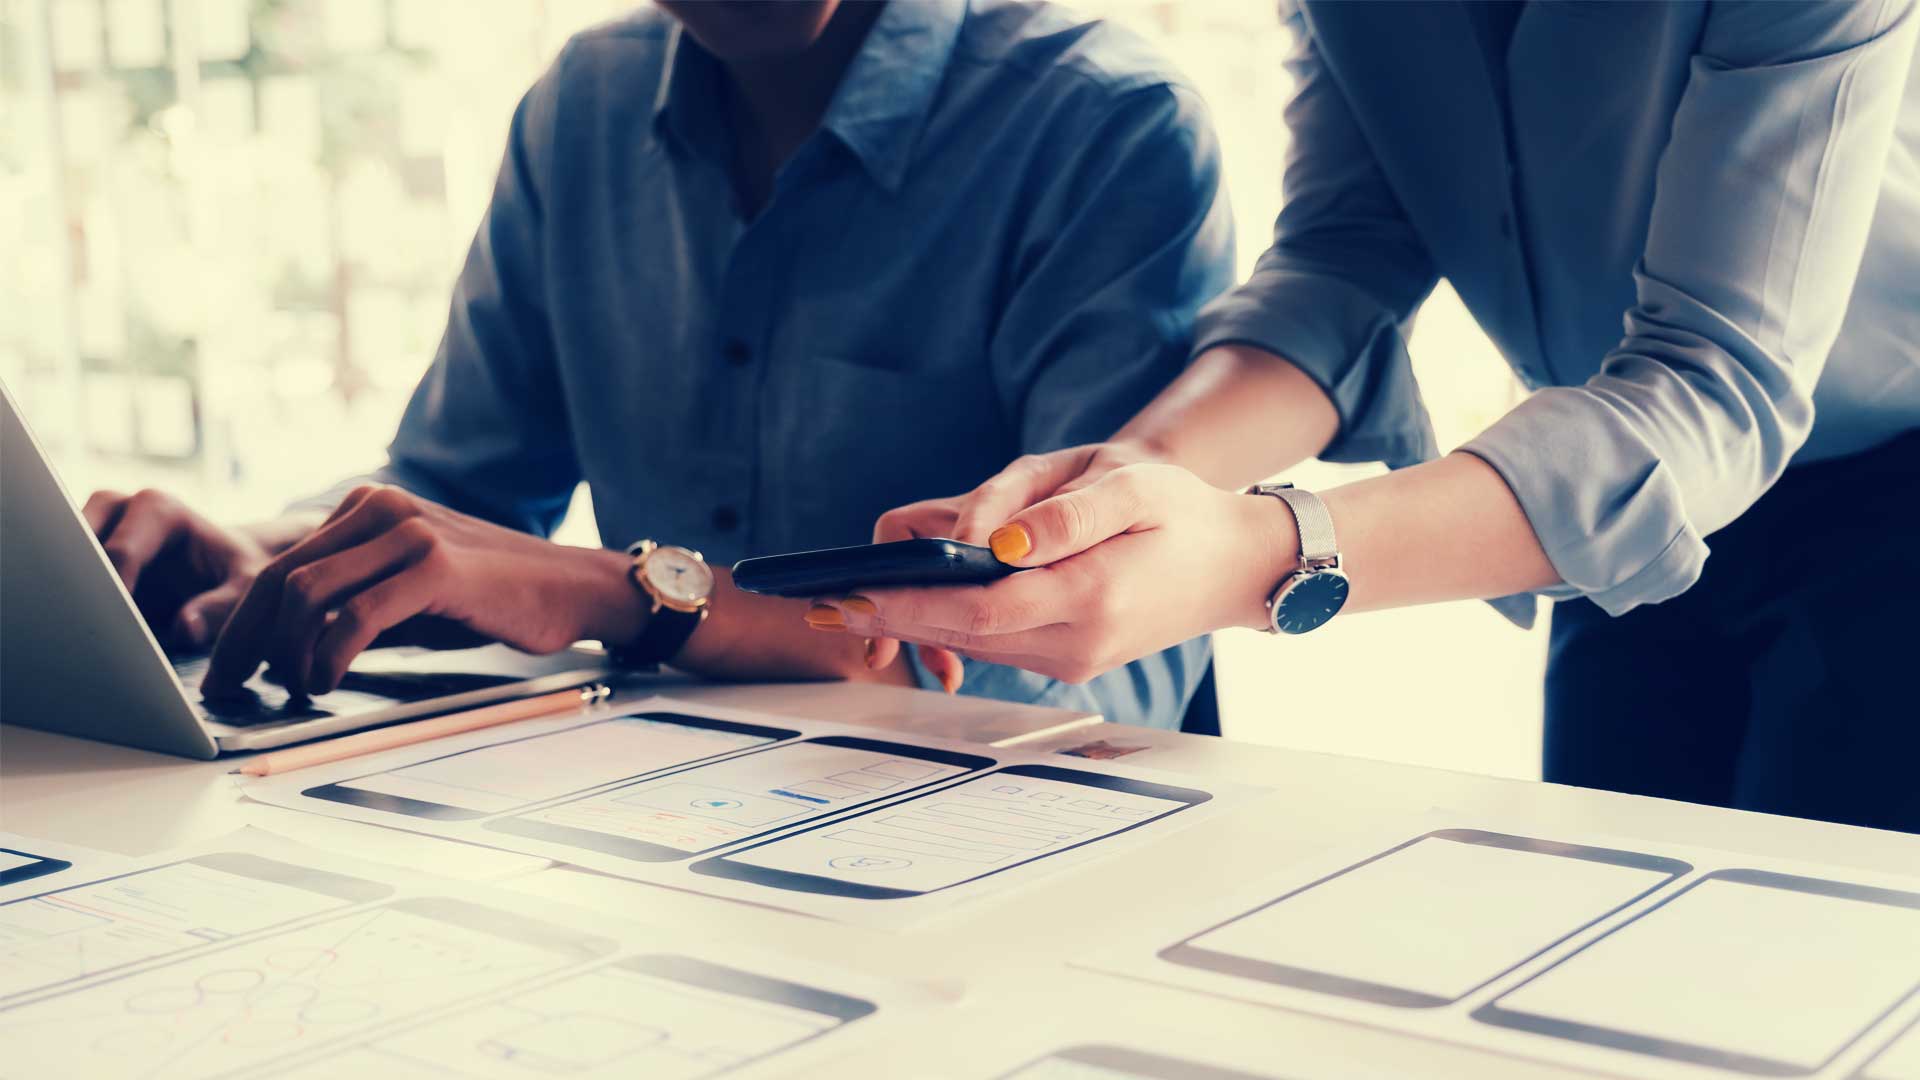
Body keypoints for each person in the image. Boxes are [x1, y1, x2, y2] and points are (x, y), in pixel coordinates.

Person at [822, 0, 1920, 831]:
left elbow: (1714, 379)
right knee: (1617, 991)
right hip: (1612, 516)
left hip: (1886, 510)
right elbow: (1342, 258)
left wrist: (1261, 553)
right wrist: (1127, 480)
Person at [82, 0, 1233, 727]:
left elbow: (1089, 678)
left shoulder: (1105, 128)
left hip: (999, 873)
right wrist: (280, 559)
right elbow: (465, 507)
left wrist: (631, 595)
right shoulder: (584, 109)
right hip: (659, 838)